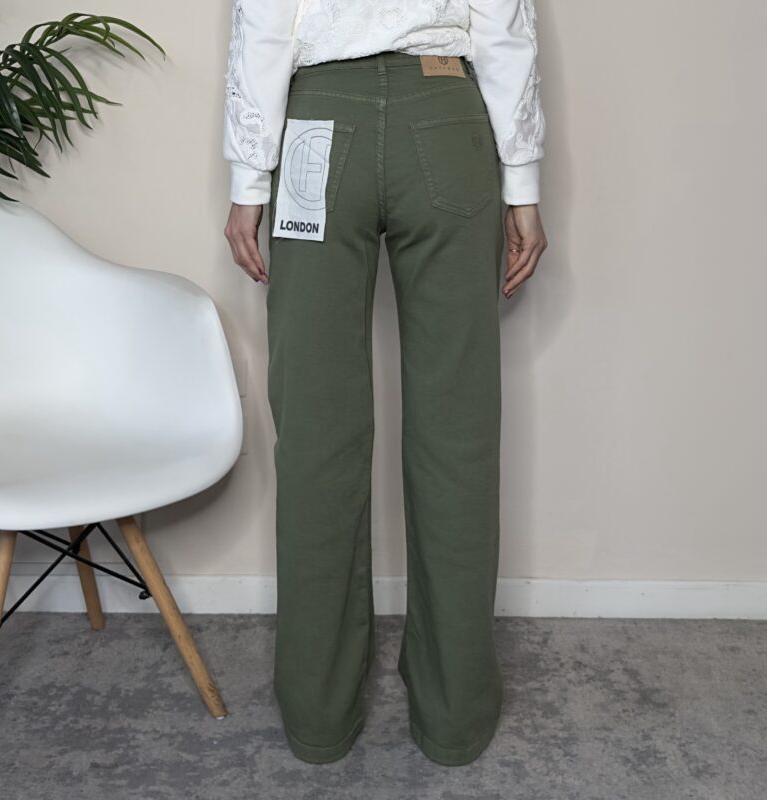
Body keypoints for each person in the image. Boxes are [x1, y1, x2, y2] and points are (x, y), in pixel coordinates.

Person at [223, 0, 548, 767]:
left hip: (317, 122)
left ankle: (318, 709)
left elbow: (264, 17)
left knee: (316, 433)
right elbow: (502, 19)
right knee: (458, 433)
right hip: (447, 116)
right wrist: (522, 183)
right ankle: (454, 712)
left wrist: (249, 178)